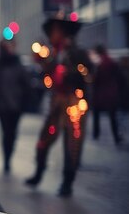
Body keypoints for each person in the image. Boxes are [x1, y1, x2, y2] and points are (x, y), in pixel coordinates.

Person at [25, 15, 93, 197]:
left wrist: (72, 72)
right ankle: (39, 173)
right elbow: (48, 78)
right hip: (58, 100)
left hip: (74, 102)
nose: (51, 35)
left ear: (62, 32)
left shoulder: (77, 52)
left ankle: (67, 182)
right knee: (44, 138)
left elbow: (88, 74)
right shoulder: (54, 53)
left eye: (54, 31)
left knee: (72, 144)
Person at [0, 39, 29, 174]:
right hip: (2, 106)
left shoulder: (18, 64)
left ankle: (8, 158)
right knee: (6, 133)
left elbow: (25, 84)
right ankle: (7, 161)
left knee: (12, 134)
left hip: (15, 107)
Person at [92, 44, 126, 145]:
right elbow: (120, 78)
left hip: (101, 94)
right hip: (111, 92)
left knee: (97, 114)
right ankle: (116, 137)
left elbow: (96, 80)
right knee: (113, 116)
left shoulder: (100, 63)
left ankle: (96, 134)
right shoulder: (111, 62)